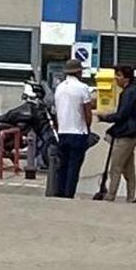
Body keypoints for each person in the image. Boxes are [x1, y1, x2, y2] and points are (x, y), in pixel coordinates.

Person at [99, 65, 136, 203]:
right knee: (128, 168)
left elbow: (122, 115)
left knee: (116, 166)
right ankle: (130, 197)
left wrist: (105, 117)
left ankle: (110, 195)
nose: (116, 78)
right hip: (132, 133)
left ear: (127, 79)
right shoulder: (134, 92)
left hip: (125, 135)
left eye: (119, 75)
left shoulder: (128, 93)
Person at [53, 59, 93, 199]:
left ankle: (59, 191)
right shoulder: (83, 88)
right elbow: (87, 112)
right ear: (78, 72)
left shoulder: (59, 88)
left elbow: (57, 111)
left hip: (63, 131)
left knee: (62, 165)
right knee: (73, 166)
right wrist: (88, 128)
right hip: (78, 132)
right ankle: (69, 193)